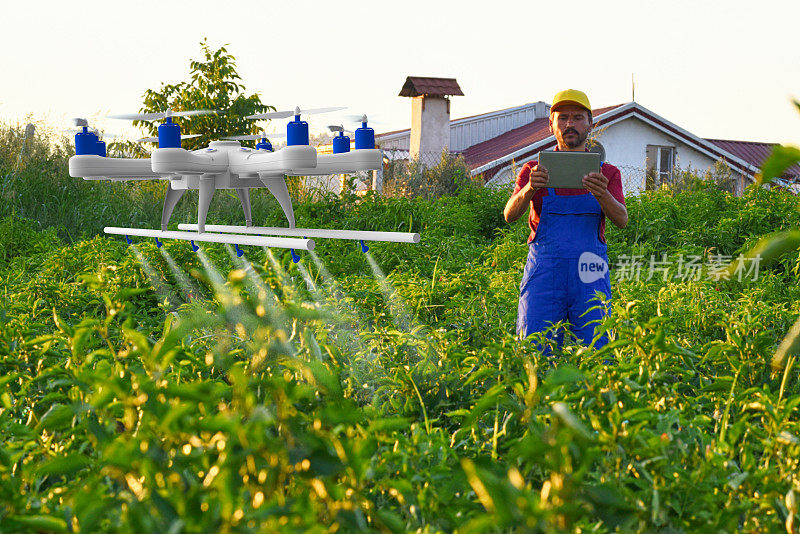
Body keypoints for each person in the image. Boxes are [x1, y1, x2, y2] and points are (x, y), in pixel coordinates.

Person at [504, 89, 628, 352]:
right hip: (544, 274)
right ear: (551, 125)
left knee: (599, 353)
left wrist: (601, 192)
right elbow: (509, 215)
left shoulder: (607, 173)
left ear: (590, 124)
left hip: (590, 275)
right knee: (535, 352)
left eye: (578, 117)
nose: (569, 124)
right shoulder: (533, 170)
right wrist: (529, 189)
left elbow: (622, 219)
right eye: (562, 118)